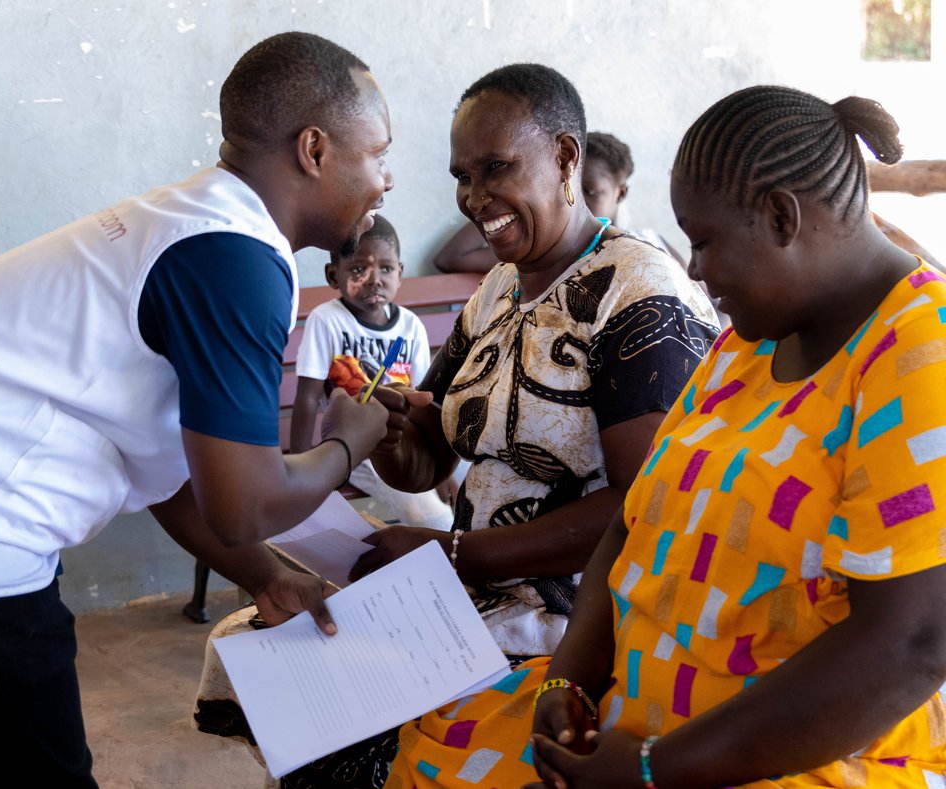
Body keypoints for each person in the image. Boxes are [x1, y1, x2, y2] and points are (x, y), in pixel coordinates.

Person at [385, 85, 946, 789]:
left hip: (789, 757)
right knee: (426, 745)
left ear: (782, 217)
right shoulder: (748, 347)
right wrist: (569, 682)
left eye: (703, 242)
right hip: (639, 722)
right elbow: (634, 521)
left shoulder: (921, 356)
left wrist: (655, 769)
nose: (697, 269)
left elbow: (910, 643)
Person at [0, 31, 412, 787]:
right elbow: (244, 504)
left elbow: (172, 469)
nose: (386, 179)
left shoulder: (199, 224)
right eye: (378, 153)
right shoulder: (234, 260)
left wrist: (263, 575)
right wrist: (352, 439)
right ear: (315, 149)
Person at [278, 62, 718, 789]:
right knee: (290, 666)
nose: (474, 197)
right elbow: (427, 453)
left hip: (572, 625)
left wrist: (454, 554)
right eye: (462, 176)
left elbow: (645, 509)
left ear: (566, 157)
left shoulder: (638, 292)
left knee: (348, 724)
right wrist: (392, 429)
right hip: (467, 590)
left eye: (496, 168)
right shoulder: (497, 291)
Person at [291, 213, 456, 530]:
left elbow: (425, 401)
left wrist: (440, 468)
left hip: (408, 442)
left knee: (477, 478)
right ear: (333, 276)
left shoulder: (410, 326)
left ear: (400, 274)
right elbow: (308, 397)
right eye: (358, 269)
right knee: (436, 520)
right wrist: (300, 468)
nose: (374, 279)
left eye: (386, 268)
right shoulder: (327, 320)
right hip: (358, 449)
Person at [431, 130, 684, 273]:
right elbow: (450, 258)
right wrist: (500, 206)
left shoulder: (651, 244)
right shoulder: (548, 251)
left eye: (590, 191)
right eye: (569, 183)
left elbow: (701, 298)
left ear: (621, 194)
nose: (577, 198)